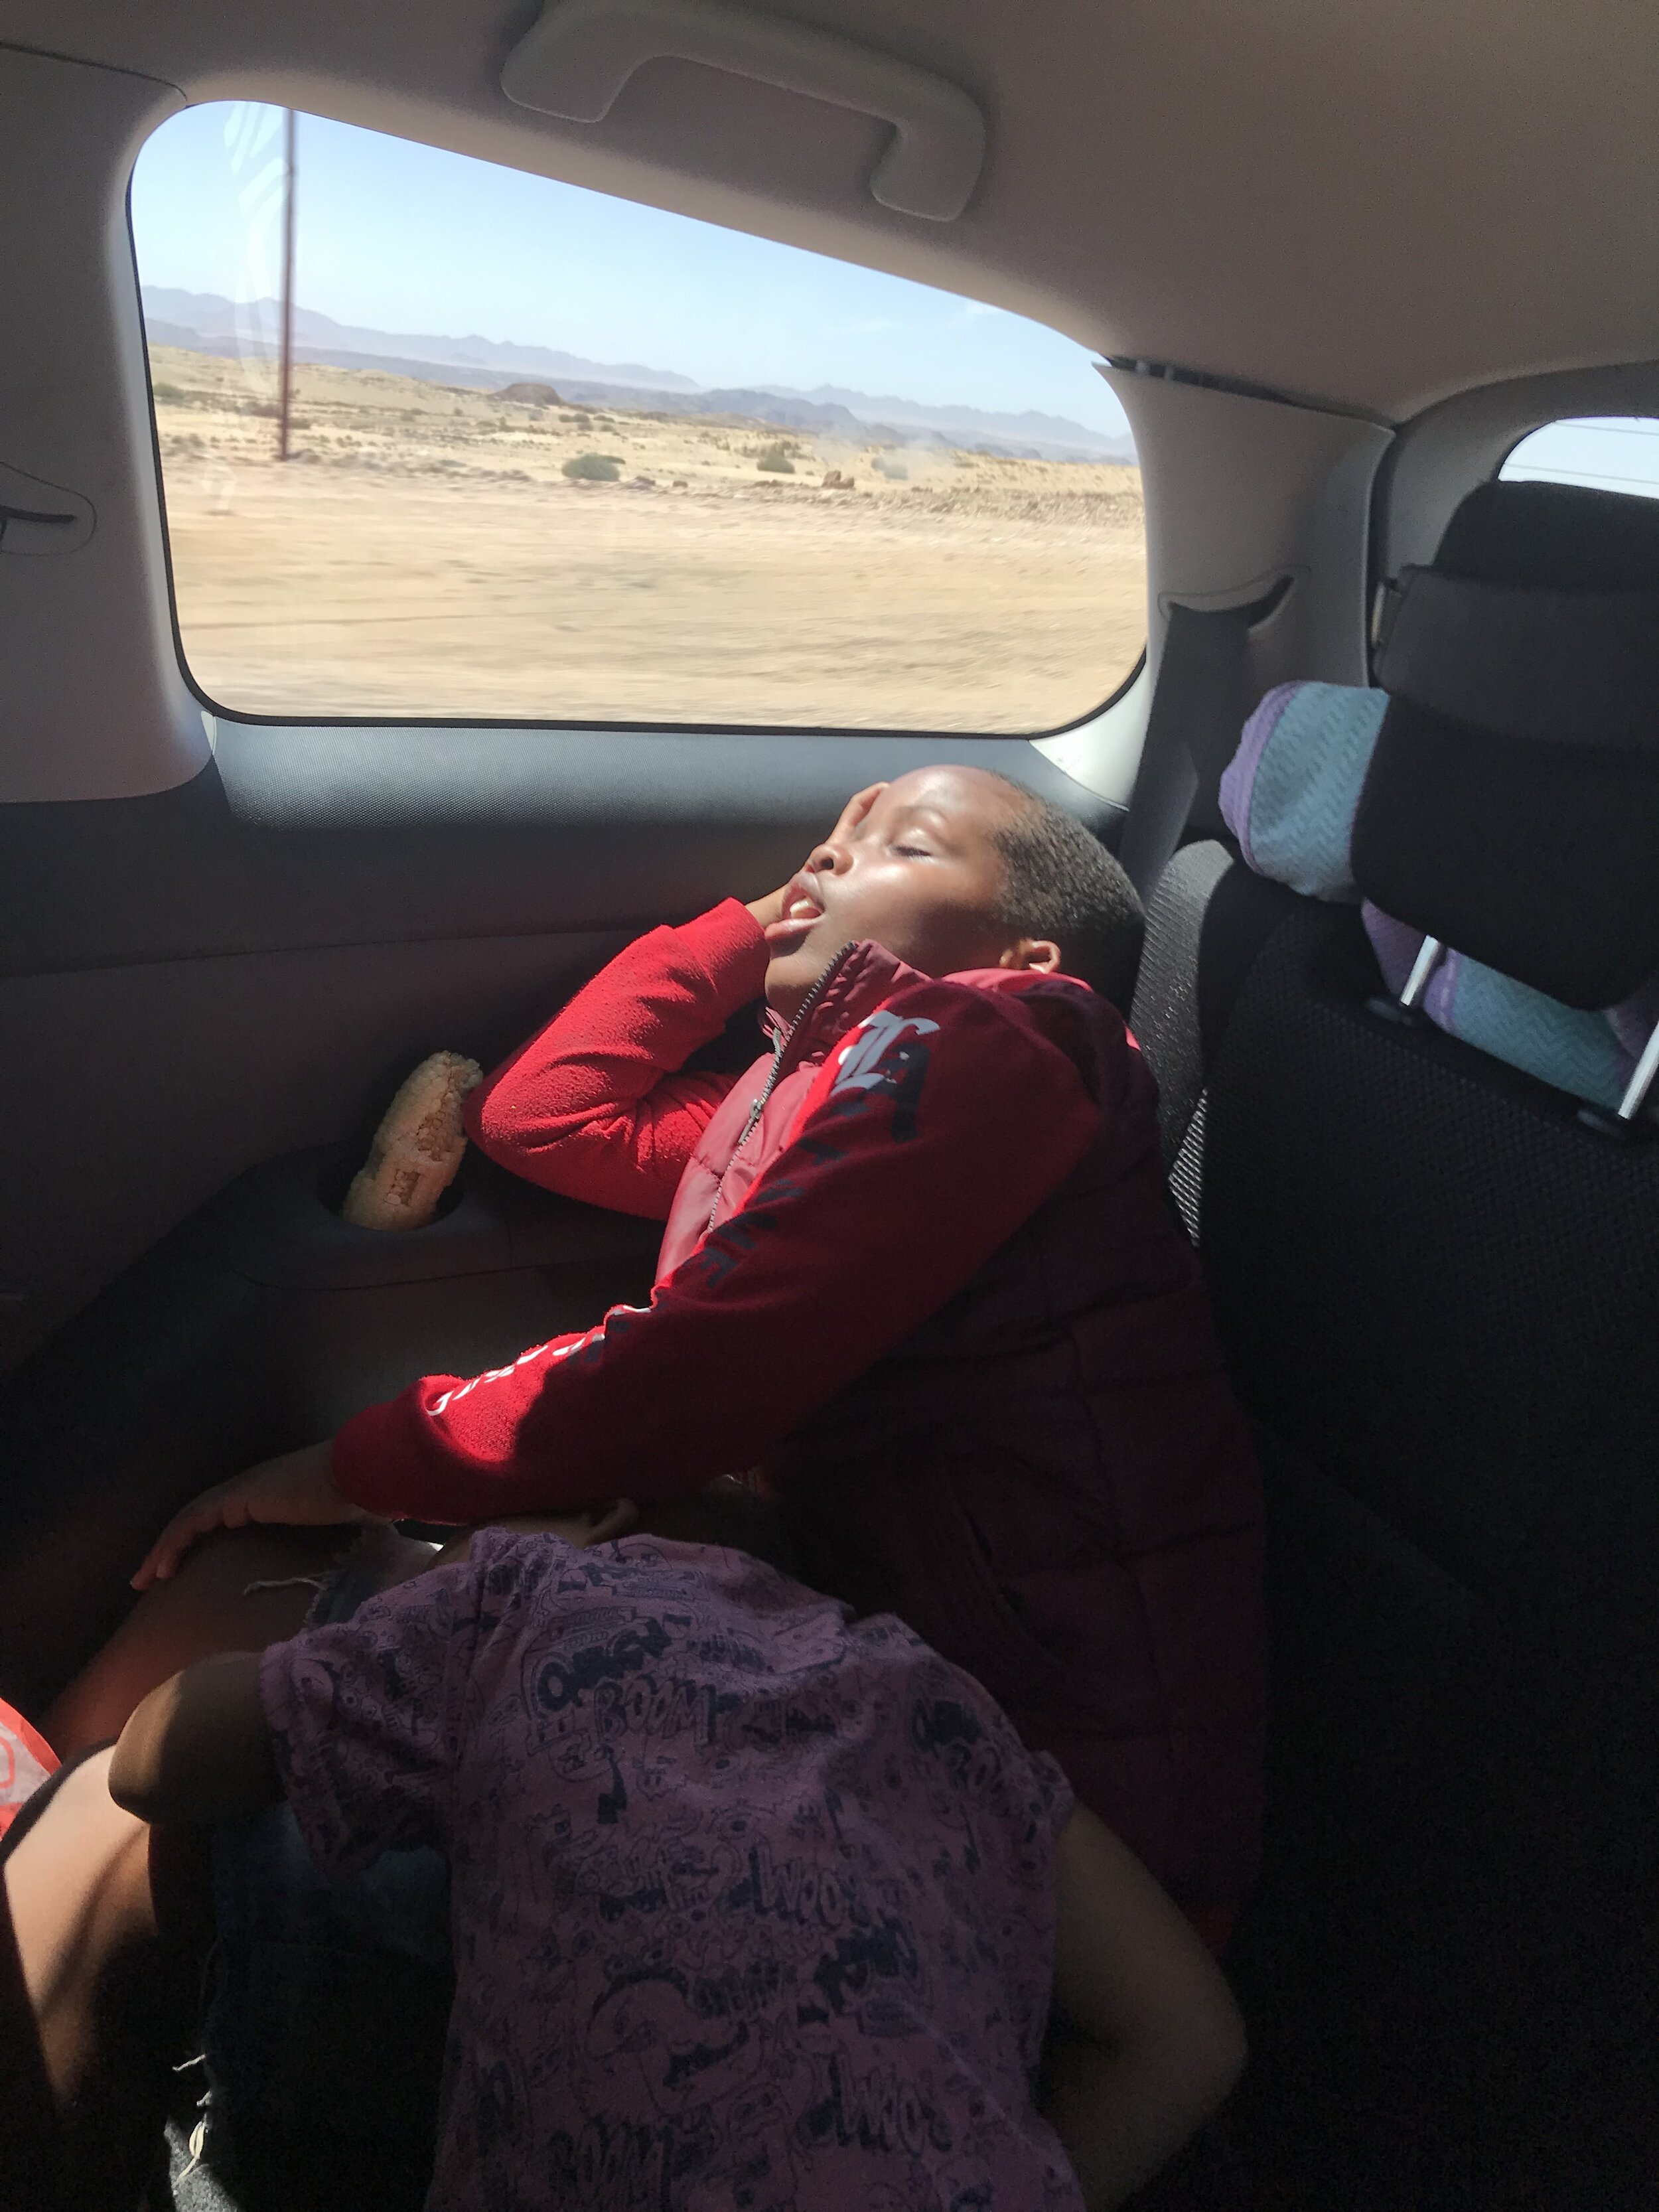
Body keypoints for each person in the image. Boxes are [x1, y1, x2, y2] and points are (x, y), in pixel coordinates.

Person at [90, 765, 1263, 1936]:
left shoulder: (1007, 1039)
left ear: (1026, 956)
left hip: (1075, 1774)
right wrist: (764, 920)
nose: (828, 858)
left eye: (901, 844)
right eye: (824, 839)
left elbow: (698, 1373)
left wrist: (350, 1463)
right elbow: (542, 1115)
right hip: (889, 1675)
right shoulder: (782, 1097)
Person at [7, 1487, 1246, 2211]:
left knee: (108, 1830)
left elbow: (153, 1764)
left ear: (602, 1533)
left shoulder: (532, 1600)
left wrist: (390, 1617)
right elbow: (1193, 2034)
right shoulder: (941, 1706)